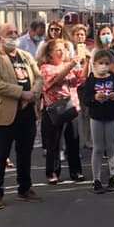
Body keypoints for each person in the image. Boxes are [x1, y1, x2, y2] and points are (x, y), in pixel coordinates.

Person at [0, 22, 42, 209]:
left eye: (16, 32)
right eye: (9, 33)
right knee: (1, 155)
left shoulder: (26, 56)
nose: (14, 35)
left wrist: (33, 93)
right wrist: (21, 93)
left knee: (25, 153)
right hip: (5, 113)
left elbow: (39, 77)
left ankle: (25, 188)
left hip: (27, 112)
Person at [40, 38, 87, 184]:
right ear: (50, 53)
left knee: (73, 140)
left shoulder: (70, 65)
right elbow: (55, 80)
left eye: (64, 49)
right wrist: (71, 64)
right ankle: (53, 172)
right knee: (54, 143)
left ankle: (76, 171)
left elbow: (81, 78)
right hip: (54, 109)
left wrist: (86, 61)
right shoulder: (45, 67)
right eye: (58, 50)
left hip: (71, 107)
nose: (62, 52)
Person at [81, 49, 114, 193]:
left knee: (111, 147)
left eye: (106, 63)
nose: (104, 66)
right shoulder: (91, 79)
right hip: (96, 117)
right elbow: (86, 99)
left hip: (112, 116)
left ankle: (113, 176)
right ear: (95, 64)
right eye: (101, 63)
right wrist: (94, 98)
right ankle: (96, 179)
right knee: (98, 148)